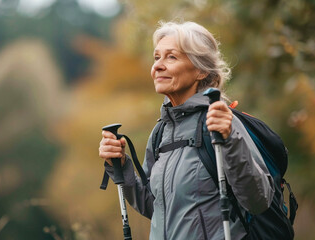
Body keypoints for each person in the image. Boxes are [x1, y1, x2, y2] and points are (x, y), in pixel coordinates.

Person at [99, 21, 275, 240]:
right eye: (156, 58)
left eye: (171, 57)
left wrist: (230, 139)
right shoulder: (160, 133)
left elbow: (257, 201)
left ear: (201, 70)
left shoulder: (220, 123)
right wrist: (120, 165)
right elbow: (155, 207)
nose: (158, 66)